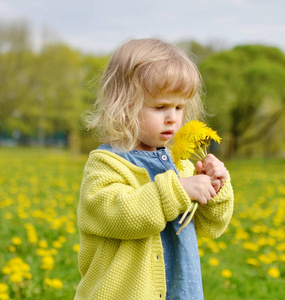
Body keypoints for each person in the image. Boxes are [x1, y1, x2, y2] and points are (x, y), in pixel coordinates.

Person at [75, 38, 234, 300]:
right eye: (160, 107)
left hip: (181, 291)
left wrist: (215, 189)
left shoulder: (181, 163)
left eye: (179, 107)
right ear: (124, 106)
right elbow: (118, 214)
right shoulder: (106, 164)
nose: (172, 117)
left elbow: (210, 228)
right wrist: (178, 191)